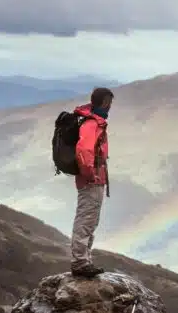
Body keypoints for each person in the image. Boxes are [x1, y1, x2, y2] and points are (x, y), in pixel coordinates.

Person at [70, 87, 113, 277]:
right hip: (92, 180)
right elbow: (84, 150)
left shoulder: (95, 122)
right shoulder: (91, 124)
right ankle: (80, 262)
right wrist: (90, 174)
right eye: (109, 103)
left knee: (91, 219)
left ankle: (84, 260)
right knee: (86, 219)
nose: (110, 107)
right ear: (103, 103)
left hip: (95, 179)